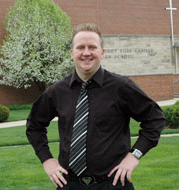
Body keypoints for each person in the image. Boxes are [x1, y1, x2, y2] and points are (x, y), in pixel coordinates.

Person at [26, 23, 165, 190]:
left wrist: (134, 155)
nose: (86, 53)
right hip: (69, 184)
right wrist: (47, 160)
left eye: (92, 47)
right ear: (72, 53)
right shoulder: (57, 92)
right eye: (80, 47)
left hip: (113, 184)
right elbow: (34, 126)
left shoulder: (121, 87)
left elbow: (155, 118)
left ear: (102, 52)